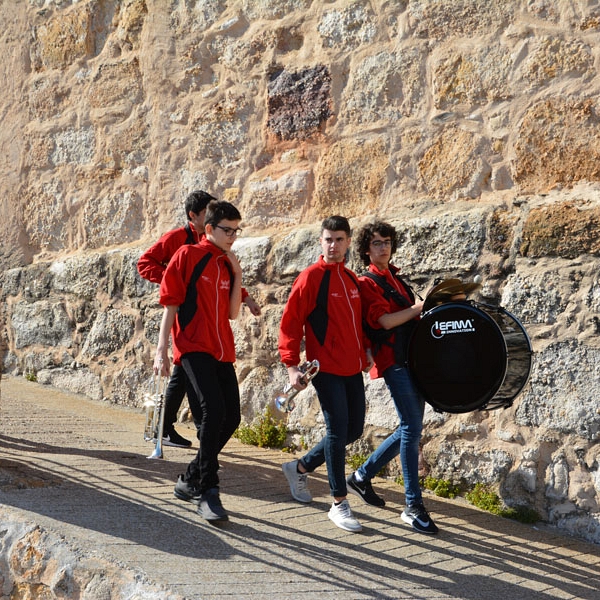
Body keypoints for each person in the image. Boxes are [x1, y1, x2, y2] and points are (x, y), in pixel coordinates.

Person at [138, 190, 261, 448]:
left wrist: (246, 297)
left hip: (208, 323)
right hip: (186, 313)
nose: (215, 221)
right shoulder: (178, 239)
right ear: (194, 216)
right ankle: (177, 428)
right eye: (208, 215)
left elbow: (222, 280)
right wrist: (177, 282)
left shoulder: (218, 247)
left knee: (184, 373)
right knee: (184, 372)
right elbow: (145, 263)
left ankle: (181, 428)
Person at [279, 215, 372, 533]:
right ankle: (339, 504)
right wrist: (291, 365)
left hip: (352, 368)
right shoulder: (310, 278)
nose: (333, 245)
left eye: (339, 239)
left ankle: (300, 467)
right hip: (325, 368)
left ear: (348, 242)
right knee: (336, 431)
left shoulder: (351, 280)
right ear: (321, 241)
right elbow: (290, 323)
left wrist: (366, 354)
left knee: (353, 430)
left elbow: (358, 324)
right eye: (328, 239)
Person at [154, 200, 244, 522]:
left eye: (236, 231)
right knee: (212, 411)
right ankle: (208, 489)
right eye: (227, 230)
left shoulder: (225, 263)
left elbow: (233, 313)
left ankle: (191, 476)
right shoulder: (188, 256)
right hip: (192, 347)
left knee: (231, 416)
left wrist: (237, 272)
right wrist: (161, 350)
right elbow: (170, 306)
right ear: (209, 229)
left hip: (222, 350)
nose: (233, 236)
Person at [346, 221, 438, 534]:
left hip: (415, 361)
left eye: (386, 242)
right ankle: (413, 505)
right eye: (376, 243)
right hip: (393, 362)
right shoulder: (368, 282)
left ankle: (361, 476)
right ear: (366, 250)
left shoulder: (396, 278)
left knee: (410, 427)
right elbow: (384, 321)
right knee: (412, 428)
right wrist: (419, 308)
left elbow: (411, 314)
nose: (383, 247)